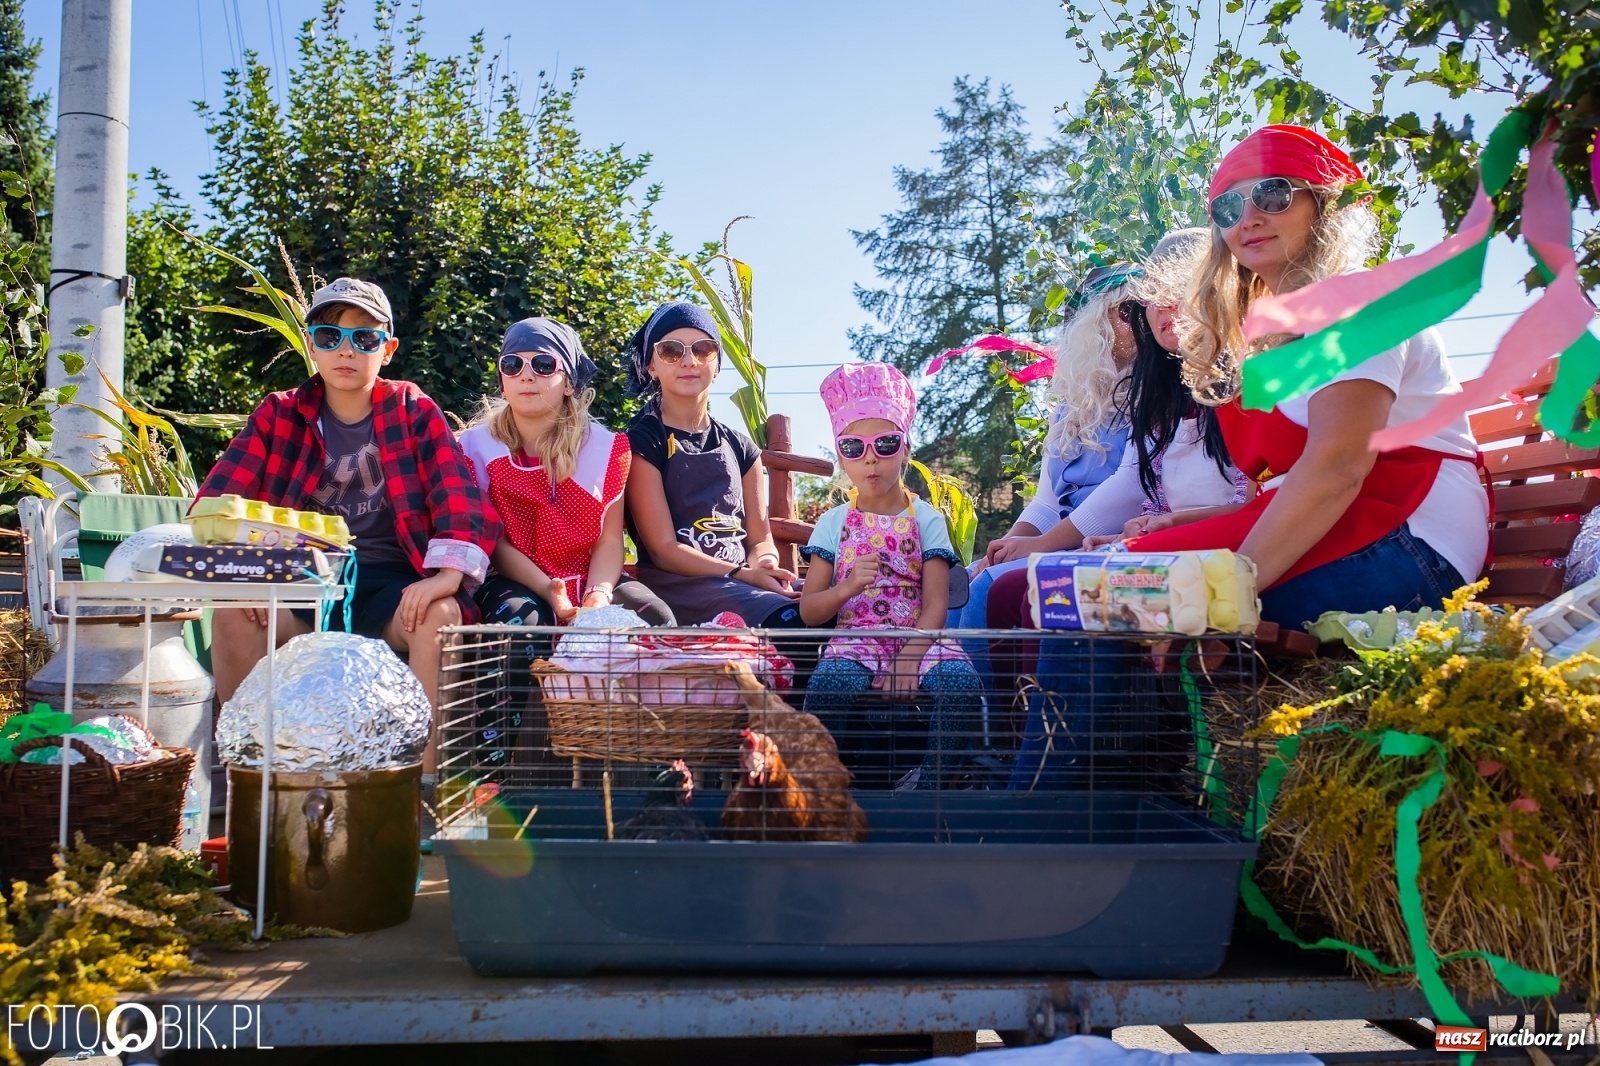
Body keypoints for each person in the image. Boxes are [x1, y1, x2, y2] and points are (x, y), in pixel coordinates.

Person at [1009, 125, 1487, 790]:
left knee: (1109, 597)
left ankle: (1051, 811)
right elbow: (1284, 485)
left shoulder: (1360, 302)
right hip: (1342, 524)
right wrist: (1182, 537)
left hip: (1410, 541)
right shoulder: (1256, 336)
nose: (1249, 217)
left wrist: (1226, 592)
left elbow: (1337, 469)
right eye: (1228, 206)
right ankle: (1104, 805)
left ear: (1323, 203)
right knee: (1089, 582)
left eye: (1273, 194)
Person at [197, 277, 500, 777]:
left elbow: (459, 494)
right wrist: (244, 570)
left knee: (441, 614)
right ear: (310, 344)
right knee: (235, 611)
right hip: (301, 581)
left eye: (364, 338)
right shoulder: (279, 414)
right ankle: (246, 776)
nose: (346, 350)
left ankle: (421, 785)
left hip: (392, 584)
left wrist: (447, 576)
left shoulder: (413, 410)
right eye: (329, 336)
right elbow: (217, 501)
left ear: (388, 349)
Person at [798, 363, 983, 788]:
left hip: (921, 636)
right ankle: (828, 789)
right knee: (829, 688)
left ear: (905, 448)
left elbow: (935, 604)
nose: (870, 458)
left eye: (885, 443)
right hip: (855, 639)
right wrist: (847, 587)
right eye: (853, 447)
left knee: (960, 687)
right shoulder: (832, 524)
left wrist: (909, 659)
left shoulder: (927, 519)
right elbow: (810, 612)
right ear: (840, 456)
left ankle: (930, 790)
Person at [948, 264, 1141, 643]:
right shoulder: (1070, 407)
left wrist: (1038, 546)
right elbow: (1048, 503)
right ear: (1092, 326)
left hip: (1107, 542)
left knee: (987, 588)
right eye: (1127, 311)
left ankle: (974, 685)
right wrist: (1001, 550)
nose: (1143, 321)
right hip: (1062, 542)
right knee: (967, 583)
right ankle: (946, 679)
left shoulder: (1148, 393)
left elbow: (1129, 491)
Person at [459, 317, 674, 636]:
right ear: (502, 381)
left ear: (570, 383)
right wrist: (550, 590)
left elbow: (609, 540)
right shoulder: (474, 449)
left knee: (658, 620)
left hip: (594, 577)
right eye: (512, 364)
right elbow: (497, 545)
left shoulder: (607, 449)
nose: (526, 375)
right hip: (514, 579)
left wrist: (598, 595)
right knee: (519, 631)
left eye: (544, 364)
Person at [623, 302, 802, 628]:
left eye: (703, 349)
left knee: (832, 605)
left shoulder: (741, 447)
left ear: (717, 363)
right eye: (671, 351)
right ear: (651, 366)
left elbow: (760, 538)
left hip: (743, 582)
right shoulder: (643, 441)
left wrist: (764, 564)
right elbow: (663, 550)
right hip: (679, 587)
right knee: (790, 619)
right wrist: (741, 574)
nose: (689, 361)